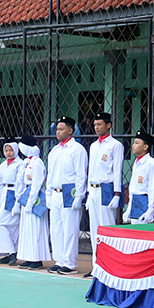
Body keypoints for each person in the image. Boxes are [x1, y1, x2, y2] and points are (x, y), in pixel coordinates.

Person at [46, 118, 88, 275]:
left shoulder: (77, 149)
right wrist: (48, 194)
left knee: (69, 228)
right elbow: (50, 175)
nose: (58, 132)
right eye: (57, 129)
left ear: (70, 131)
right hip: (55, 192)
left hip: (69, 192)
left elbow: (80, 175)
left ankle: (69, 263)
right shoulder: (54, 151)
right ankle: (59, 260)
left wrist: (79, 196)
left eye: (61, 129)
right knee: (56, 228)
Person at [85, 112, 123, 275]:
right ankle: (96, 266)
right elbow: (90, 170)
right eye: (95, 124)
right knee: (94, 230)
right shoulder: (94, 145)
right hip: (93, 189)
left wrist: (117, 193)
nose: (96, 127)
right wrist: (87, 192)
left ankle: (109, 266)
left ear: (108, 125)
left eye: (99, 124)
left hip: (107, 189)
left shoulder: (115, 145)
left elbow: (117, 170)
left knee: (107, 228)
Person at [14, 136, 51, 270]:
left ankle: (37, 259)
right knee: (27, 229)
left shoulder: (37, 163)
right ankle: (29, 257)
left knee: (36, 229)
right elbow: (21, 181)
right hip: (27, 195)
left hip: (35, 198)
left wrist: (31, 202)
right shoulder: (28, 163)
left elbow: (36, 184)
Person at [0, 140, 22, 265]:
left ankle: (12, 252)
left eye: (11, 150)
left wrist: (18, 202)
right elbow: (0, 182)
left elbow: (20, 183)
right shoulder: (3, 165)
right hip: (4, 193)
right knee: (4, 224)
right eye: (6, 150)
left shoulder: (20, 164)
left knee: (2, 224)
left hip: (13, 194)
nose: (8, 153)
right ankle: (9, 252)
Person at [126, 132, 154, 225]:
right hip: (135, 205)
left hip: (146, 205)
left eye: (137, 143)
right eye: (133, 143)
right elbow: (133, 189)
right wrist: (129, 209)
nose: (133, 145)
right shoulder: (136, 163)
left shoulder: (152, 164)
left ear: (145, 147)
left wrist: (151, 210)